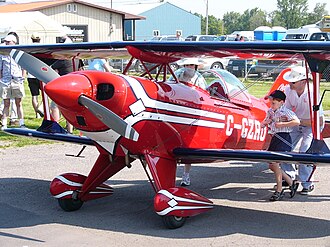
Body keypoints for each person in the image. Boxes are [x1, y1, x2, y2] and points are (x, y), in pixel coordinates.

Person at [283, 66, 324, 195]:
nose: (290, 84)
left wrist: (297, 121)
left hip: (312, 125)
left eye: (293, 81)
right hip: (296, 123)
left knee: (305, 151)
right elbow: (287, 111)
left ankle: (307, 183)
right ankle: (289, 177)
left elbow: (320, 121)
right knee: (283, 147)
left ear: (303, 81)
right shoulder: (288, 91)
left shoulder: (313, 92)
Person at [261, 90, 300, 201]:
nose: (271, 105)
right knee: (272, 165)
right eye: (271, 103)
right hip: (275, 138)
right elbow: (262, 124)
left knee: (275, 163)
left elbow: (296, 122)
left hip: (284, 138)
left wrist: (283, 124)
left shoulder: (285, 111)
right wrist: (266, 122)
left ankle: (279, 190)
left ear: (281, 102)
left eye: (273, 103)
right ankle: (291, 182)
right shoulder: (270, 111)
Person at [173, 58, 206, 186]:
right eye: (186, 65)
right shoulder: (177, 76)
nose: (188, 67)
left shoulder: (199, 79)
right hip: (178, 113)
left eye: (191, 65)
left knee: (188, 145)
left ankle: (186, 175)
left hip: (192, 114)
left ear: (195, 67)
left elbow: (204, 97)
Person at [0, 34, 26, 130]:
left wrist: (22, 78)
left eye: (8, 42)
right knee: (6, 103)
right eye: (6, 42)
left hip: (17, 80)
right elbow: (0, 68)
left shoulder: (19, 53)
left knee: (18, 103)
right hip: (6, 81)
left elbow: (23, 67)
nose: (6, 43)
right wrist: (1, 79)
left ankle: (21, 123)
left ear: (13, 42)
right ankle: (4, 124)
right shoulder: (2, 54)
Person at [27, 33, 44, 118]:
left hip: (31, 75)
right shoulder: (43, 48)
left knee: (34, 96)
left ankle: (37, 114)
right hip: (40, 75)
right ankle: (40, 107)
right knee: (46, 94)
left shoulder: (28, 49)